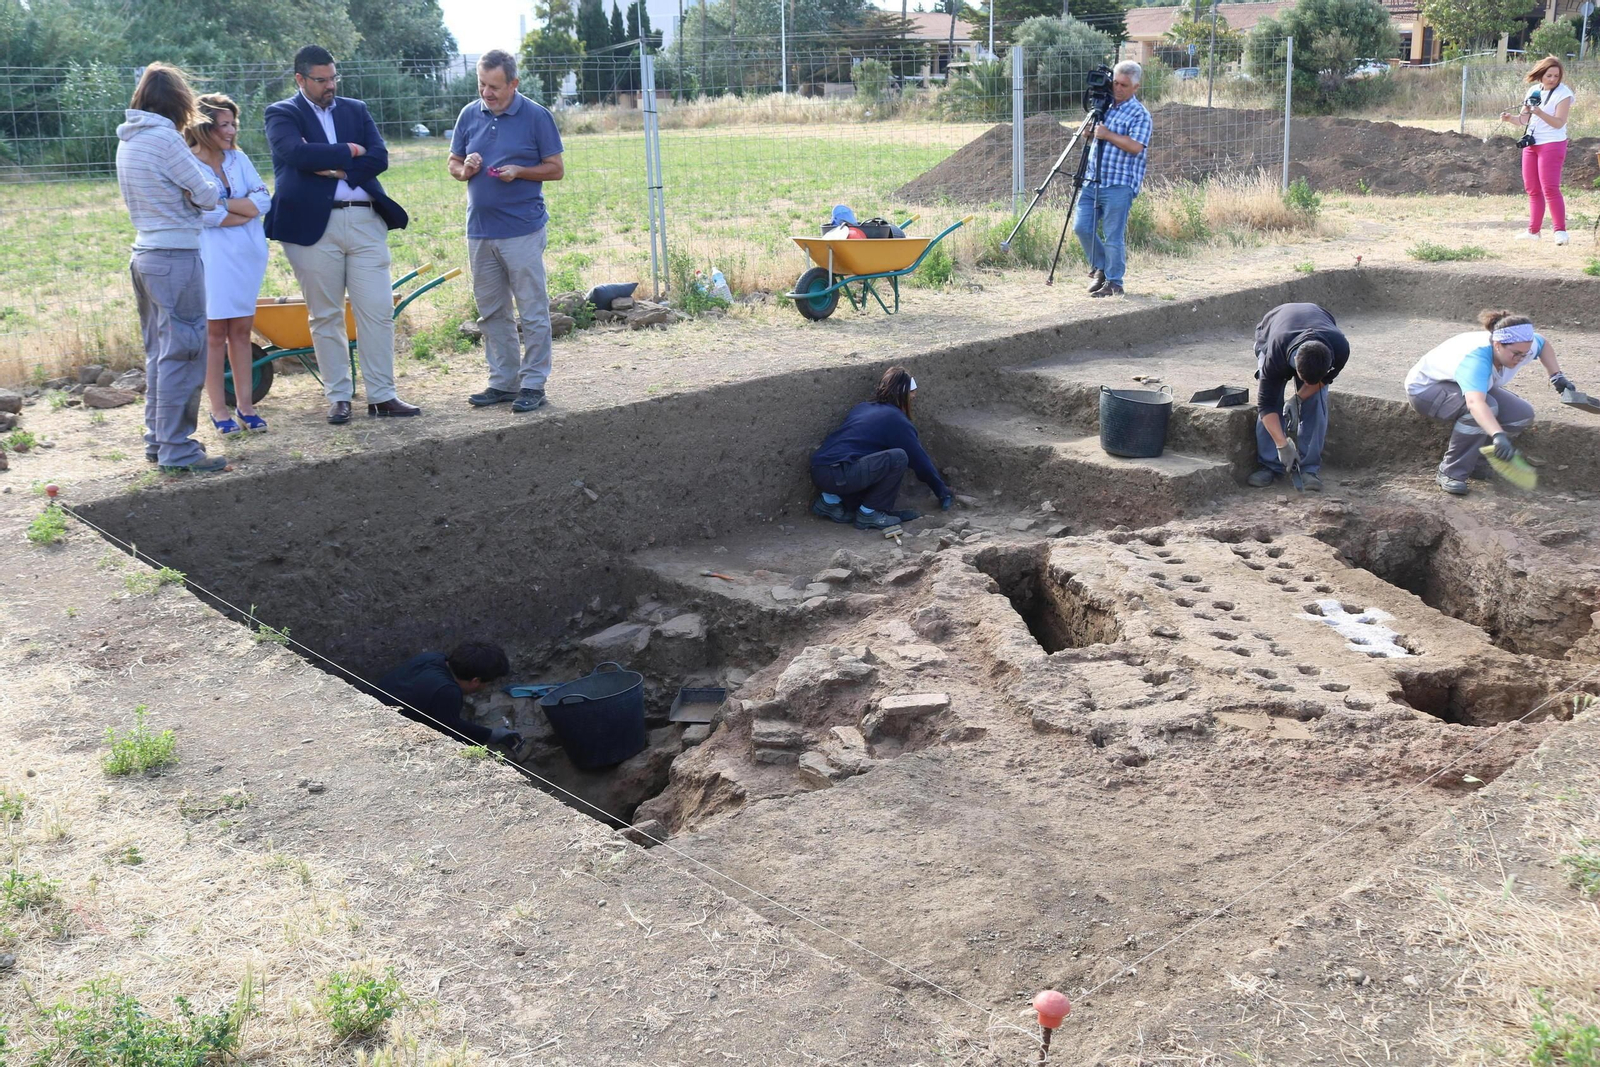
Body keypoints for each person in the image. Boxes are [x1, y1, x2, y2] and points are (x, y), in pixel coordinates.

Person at [264, 44, 419, 425]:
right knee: (326, 315)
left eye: (334, 77)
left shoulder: (356, 109)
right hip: (312, 227)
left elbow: (379, 157)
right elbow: (296, 156)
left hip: (366, 220)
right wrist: (349, 150)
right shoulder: (282, 113)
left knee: (378, 310)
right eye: (321, 80)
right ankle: (339, 397)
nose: (329, 85)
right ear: (300, 79)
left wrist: (338, 168)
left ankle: (383, 396)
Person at [115, 63, 226, 474]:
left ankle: (157, 441)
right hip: (176, 257)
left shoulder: (128, 140)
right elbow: (207, 194)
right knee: (184, 351)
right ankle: (177, 449)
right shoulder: (165, 139)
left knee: (160, 353)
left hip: (144, 255)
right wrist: (201, 188)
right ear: (180, 102)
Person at [449, 49, 566, 414]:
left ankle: (533, 383)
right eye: (482, 84)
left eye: (495, 86)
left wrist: (520, 170)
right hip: (480, 231)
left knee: (531, 310)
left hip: (522, 231)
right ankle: (503, 382)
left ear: (514, 83)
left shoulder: (536, 116)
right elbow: (453, 163)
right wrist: (464, 169)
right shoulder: (469, 114)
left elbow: (555, 168)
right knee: (491, 312)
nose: (487, 93)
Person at [1405, 309, 1583, 495]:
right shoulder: (1476, 360)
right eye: (1516, 354)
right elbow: (1475, 404)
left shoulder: (1520, 344)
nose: (1522, 358)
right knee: (1487, 407)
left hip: (1463, 386)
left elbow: (1543, 344)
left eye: (1525, 353)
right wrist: (1498, 435)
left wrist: (1557, 377)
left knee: (1521, 415)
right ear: (1497, 345)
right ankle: (1451, 472)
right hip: (1427, 390)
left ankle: (1477, 463)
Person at [187, 93, 271, 436]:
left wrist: (227, 206)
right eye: (225, 124)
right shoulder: (188, 162)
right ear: (205, 127)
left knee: (241, 330)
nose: (232, 130)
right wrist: (240, 210)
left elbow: (263, 200)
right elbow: (201, 212)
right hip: (213, 256)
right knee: (214, 333)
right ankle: (218, 410)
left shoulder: (239, 159)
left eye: (233, 123)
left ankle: (246, 407)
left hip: (247, 255)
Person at [810, 366, 953, 531]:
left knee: (872, 460)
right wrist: (941, 490)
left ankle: (830, 501)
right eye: (911, 392)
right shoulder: (896, 420)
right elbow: (919, 460)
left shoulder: (863, 407)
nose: (914, 396)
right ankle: (870, 513)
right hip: (840, 474)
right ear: (902, 394)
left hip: (822, 469)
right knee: (898, 457)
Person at [1247, 303, 1350, 492]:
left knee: (1316, 400)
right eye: (1304, 380)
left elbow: (1323, 381)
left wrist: (1298, 399)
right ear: (1295, 365)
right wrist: (1282, 444)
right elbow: (1266, 405)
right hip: (1272, 332)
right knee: (1273, 400)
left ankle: (1309, 469)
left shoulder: (1340, 348)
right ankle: (1270, 465)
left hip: (1318, 324)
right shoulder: (1275, 356)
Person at [1075, 60, 1153, 300]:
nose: (1117, 88)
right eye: (1115, 83)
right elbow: (1090, 138)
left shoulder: (1140, 115)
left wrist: (1107, 134)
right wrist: (1088, 134)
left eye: (1124, 85)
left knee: (1113, 235)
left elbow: (1135, 147)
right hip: (1092, 179)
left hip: (1120, 184)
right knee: (1082, 227)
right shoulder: (1102, 106)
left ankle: (1114, 282)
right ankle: (1101, 268)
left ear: (1136, 87)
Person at [374, 641, 521, 750]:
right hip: (385, 735)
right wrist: (490, 736)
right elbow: (449, 733)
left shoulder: (431, 658)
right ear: (476, 680)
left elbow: (448, 721)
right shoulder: (447, 691)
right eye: (488, 683)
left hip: (373, 708)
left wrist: (489, 734)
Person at [1501, 56, 1574, 246]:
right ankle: (1533, 231)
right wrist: (1510, 119)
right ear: (1540, 75)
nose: (1552, 79)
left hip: (1552, 143)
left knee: (1550, 188)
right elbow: (1524, 120)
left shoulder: (1564, 94)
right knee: (1532, 189)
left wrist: (1539, 112)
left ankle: (1560, 231)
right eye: (1549, 75)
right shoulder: (1533, 91)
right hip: (1531, 144)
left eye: (1556, 76)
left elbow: (1559, 123)